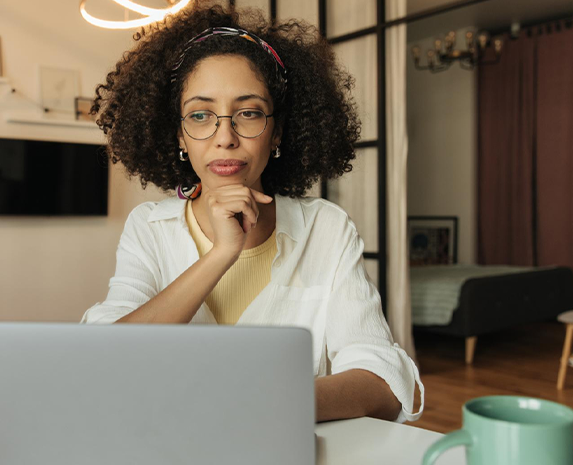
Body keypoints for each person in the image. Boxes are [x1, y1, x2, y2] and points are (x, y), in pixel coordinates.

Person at [81, 3, 423, 423]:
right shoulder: (149, 227)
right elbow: (104, 360)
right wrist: (221, 254)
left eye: (248, 113)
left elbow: (385, 383)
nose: (225, 137)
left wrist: (257, 402)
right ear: (180, 136)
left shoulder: (326, 229)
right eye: (201, 115)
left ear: (277, 132)